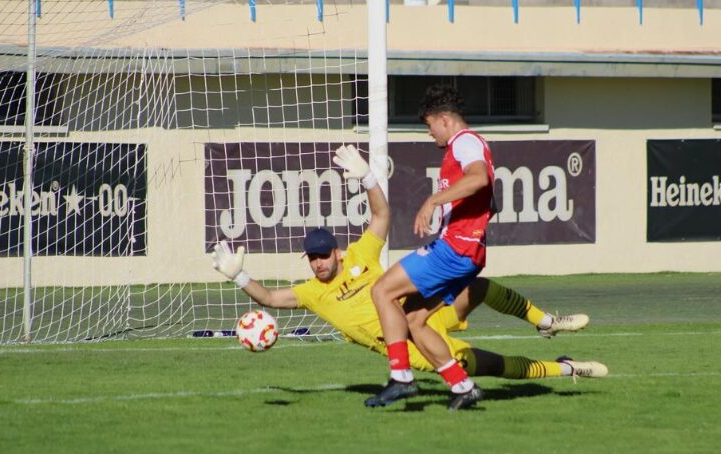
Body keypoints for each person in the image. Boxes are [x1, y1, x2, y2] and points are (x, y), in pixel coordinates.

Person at [211, 144, 604, 407]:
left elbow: (382, 216)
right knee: (489, 366)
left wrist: (367, 179)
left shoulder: (360, 254)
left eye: (322, 256)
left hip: (424, 314)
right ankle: (567, 367)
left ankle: (545, 320)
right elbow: (269, 299)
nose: (317, 264)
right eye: (311, 259)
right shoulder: (313, 292)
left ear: (337, 251)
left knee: (478, 286)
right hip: (412, 348)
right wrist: (239, 275)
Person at [367, 83, 586, 409]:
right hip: (468, 252)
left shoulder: (464, 142)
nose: (430, 134)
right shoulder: (471, 145)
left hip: (454, 249)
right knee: (413, 320)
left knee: (382, 291)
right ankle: (462, 386)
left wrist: (433, 200)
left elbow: (479, 178)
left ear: (443, 119)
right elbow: (489, 198)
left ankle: (401, 377)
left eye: (429, 126)